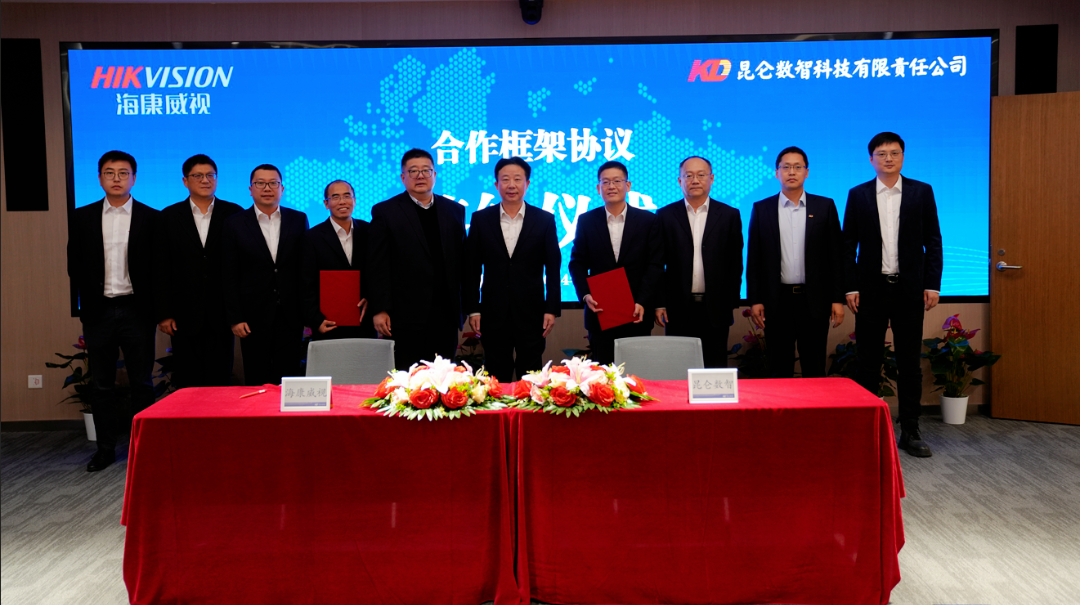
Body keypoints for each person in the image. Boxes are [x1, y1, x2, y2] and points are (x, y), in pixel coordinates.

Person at [843, 132, 943, 458]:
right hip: (871, 291)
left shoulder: (921, 192)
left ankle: (910, 429)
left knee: (909, 363)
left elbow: (933, 240)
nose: (888, 158)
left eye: (894, 153)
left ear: (903, 156)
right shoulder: (858, 195)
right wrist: (851, 286)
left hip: (908, 289)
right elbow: (848, 245)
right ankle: (867, 429)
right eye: (882, 153)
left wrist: (932, 284)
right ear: (871, 159)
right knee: (868, 362)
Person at [67, 150, 159, 472]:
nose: (116, 178)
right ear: (99, 178)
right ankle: (105, 449)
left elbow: (158, 268)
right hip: (99, 311)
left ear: (134, 178)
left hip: (137, 310)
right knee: (102, 385)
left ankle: (142, 449)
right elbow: (74, 265)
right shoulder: (82, 217)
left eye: (123, 173)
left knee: (141, 383)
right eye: (109, 172)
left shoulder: (151, 217)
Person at [746, 147, 845, 377]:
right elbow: (754, 259)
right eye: (786, 167)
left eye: (798, 167)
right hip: (777, 301)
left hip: (814, 300)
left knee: (814, 366)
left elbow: (835, 256)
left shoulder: (825, 207)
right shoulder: (762, 209)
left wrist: (837, 298)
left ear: (806, 172)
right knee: (779, 367)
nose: (792, 172)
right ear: (776, 173)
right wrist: (755, 299)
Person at [367, 149, 466, 370]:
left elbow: (463, 262)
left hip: (446, 314)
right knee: (408, 377)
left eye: (426, 170)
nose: (420, 176)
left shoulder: (454, 210)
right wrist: (380, 309)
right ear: (403, 177)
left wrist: (467, 307)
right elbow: (377, 265)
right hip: (405, 315)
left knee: (445, 377)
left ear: (434, 175)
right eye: (413, 171)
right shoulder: (386, 211)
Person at [464, 157, 561, 382]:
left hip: (532, 312)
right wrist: (474, 309)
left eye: (517, 179)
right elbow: (471, 268)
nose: (511, 185)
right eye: (505, 179)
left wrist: (551, 309)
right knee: (496, 375)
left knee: (531, 375)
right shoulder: (481, 219)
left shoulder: (544, 220)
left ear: (527, 183)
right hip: (493, 311)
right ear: (496, 184)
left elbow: (553, 267)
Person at [155, 154, 243, 388]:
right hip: (183, 315)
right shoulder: (168, 217)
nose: (205, 180)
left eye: (210, 175)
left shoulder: (234, 214)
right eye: (198, 176)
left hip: (222, 313)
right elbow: (161, 268)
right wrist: (164, 313)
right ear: (185, 181)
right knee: (188, 381)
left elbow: (241, 265)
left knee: (220, 380)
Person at [221, 164, 309, 386]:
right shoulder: (234, 223)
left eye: (273, 183)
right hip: (252, 316)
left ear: (282, 188)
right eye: (260, 183)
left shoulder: (298, 219)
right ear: (251, 189)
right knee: (257, 377)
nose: (267, 188)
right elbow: (229, 274)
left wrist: (308, 313)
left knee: (289, 378)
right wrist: (235, 317)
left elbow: (305, 269)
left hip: (291, 315)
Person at [568, 160, 663, 365]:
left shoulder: (648, 220)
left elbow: (655, 265)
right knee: (603, 375)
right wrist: (585, 294)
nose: (611, 186)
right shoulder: (587, 221)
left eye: (617, 181)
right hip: (600, 312)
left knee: (636, 373)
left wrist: (642, 301)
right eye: (606, 182)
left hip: (637, 312)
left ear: (627, 185)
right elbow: (577, 263)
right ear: (598, 188)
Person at [653, 156, 743, 368]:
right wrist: (660, 302)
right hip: (677, 308)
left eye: (701, 175)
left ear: (711, 179)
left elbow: (735, 263)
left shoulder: (729, 215)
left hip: (716, 307)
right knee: (679, 368)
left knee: (715, 367)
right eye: (689, 175)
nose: (695, 180)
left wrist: (730, 301)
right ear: (679, 181)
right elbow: (657, 263)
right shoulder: (665, 215)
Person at [302, 179, 375, 340]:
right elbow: (306, 283)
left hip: (365, 320)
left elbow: (378, 272)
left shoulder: (369, 231)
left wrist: (372, 298)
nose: (342, 201)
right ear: (326, 204)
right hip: (328, 323)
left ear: (354, 200)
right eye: (335, 197)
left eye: (347, 196)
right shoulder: (312, 237)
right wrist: (316, 319)